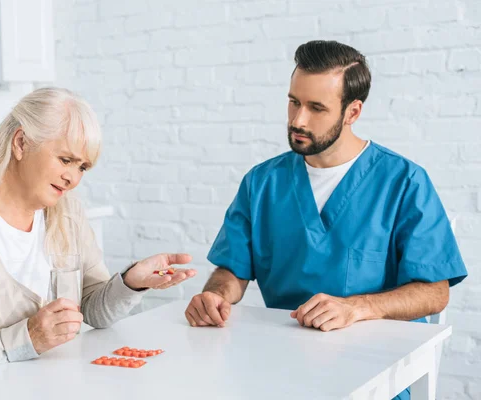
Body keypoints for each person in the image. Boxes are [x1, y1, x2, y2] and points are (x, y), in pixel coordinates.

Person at [184, 40, 467, 400]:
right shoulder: (262, 182)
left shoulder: (404, 182)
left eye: (317, 107)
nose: (298, 120)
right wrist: (214, 295)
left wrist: (356, 308)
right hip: (279, 363)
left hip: (374, 370)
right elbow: (233, 271)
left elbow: (434, 292)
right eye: (294, 102)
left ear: (352, 112)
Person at [0, 87, 196, 395]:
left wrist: (130, 282)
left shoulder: (67, 213)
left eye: (82, 167)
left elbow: (94, 312)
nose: (73, 178)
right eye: (65, 160)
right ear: (21, 143)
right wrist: (27, 337)